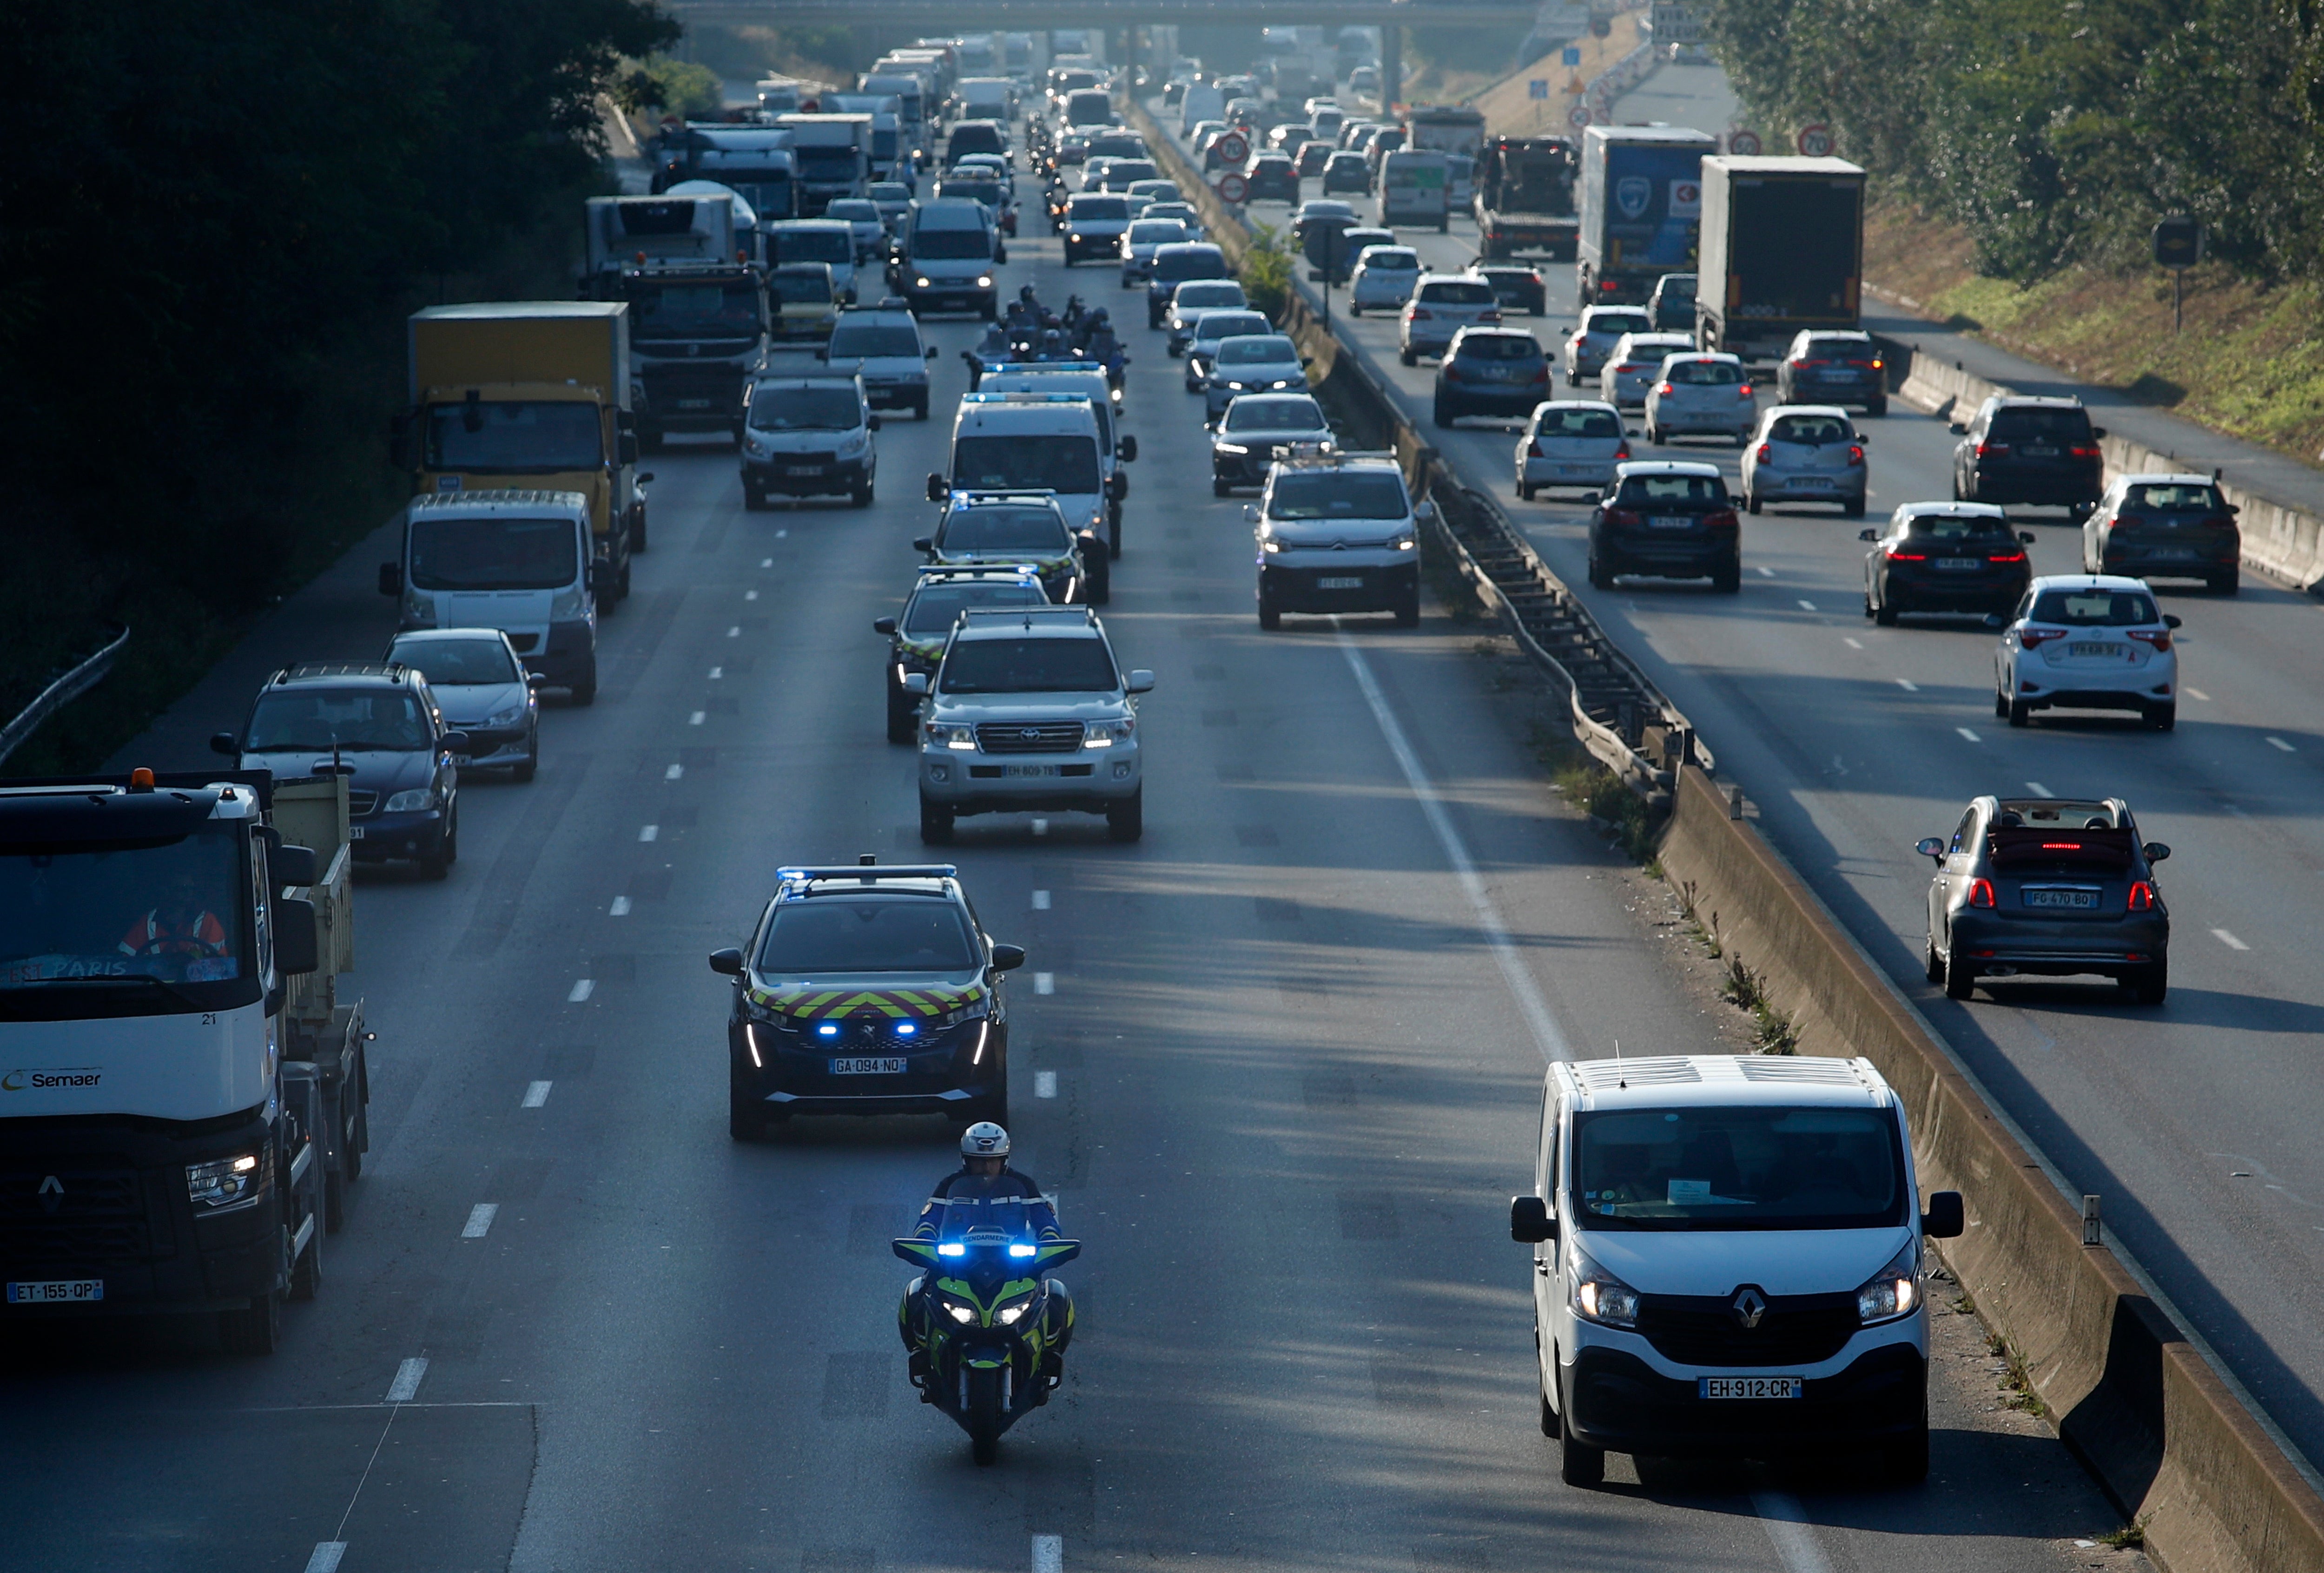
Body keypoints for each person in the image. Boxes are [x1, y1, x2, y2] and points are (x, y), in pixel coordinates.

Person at [897, 1122, 1075, 1394]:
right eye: (979, 1163)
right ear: (966, 1161)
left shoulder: (1023, 1186)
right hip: (957, 1265)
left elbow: (1046, 1222)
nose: (986, 1169)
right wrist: (926, 1240)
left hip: (1013, 1264)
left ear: (1004, 1160)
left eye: (993, 1162)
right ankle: (923, 1355)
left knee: (1056, 1296)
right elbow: (928, 1221)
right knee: (916, 1293)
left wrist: (1049, 1242)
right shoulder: (949, 1186)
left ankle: (1047, 1357)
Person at [119, 872, 229, 961]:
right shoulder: (147, 923)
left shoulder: (208, 921)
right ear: (168, 892)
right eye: (183, 888)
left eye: (192, 888)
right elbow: (123, 961)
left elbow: (219, 965)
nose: (189, 893)